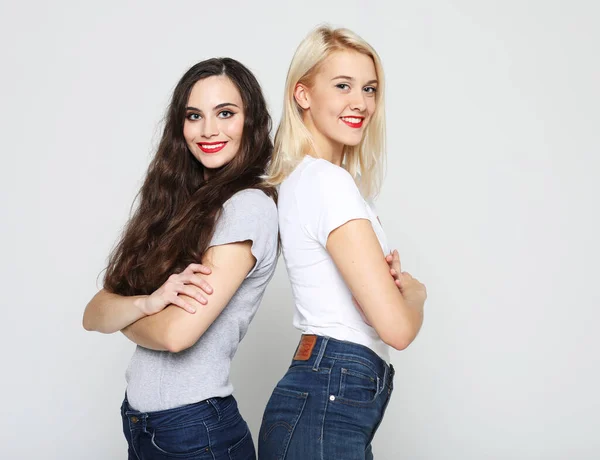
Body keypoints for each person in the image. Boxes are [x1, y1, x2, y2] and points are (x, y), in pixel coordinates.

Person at [82, 57, 278, 460]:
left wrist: (126, 317)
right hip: (143, 424)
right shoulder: (176, 206)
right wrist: (148, 304)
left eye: (226, 113)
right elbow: (93, 314)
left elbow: (176, 336)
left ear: (251, 122)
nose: (208, 130)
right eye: (194, 115)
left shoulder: (247, 207)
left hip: (194, 431)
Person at [258, 26, 427, 459]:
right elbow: (397, 329)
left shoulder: (309, 180)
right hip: (327, 400)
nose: (361, 103)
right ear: (303, 95)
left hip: (322, 399)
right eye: (343, 86)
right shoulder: (327, 183)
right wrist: (415, 294)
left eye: (369, 88)